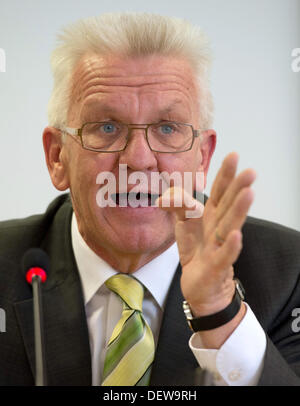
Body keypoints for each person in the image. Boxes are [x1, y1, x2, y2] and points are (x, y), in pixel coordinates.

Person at [0, 12, 300, 386]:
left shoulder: (290, 274)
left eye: (167, 128)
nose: (138, 159)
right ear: (57, 157)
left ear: (202, 157)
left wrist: (218, 314)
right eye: (106, 128)